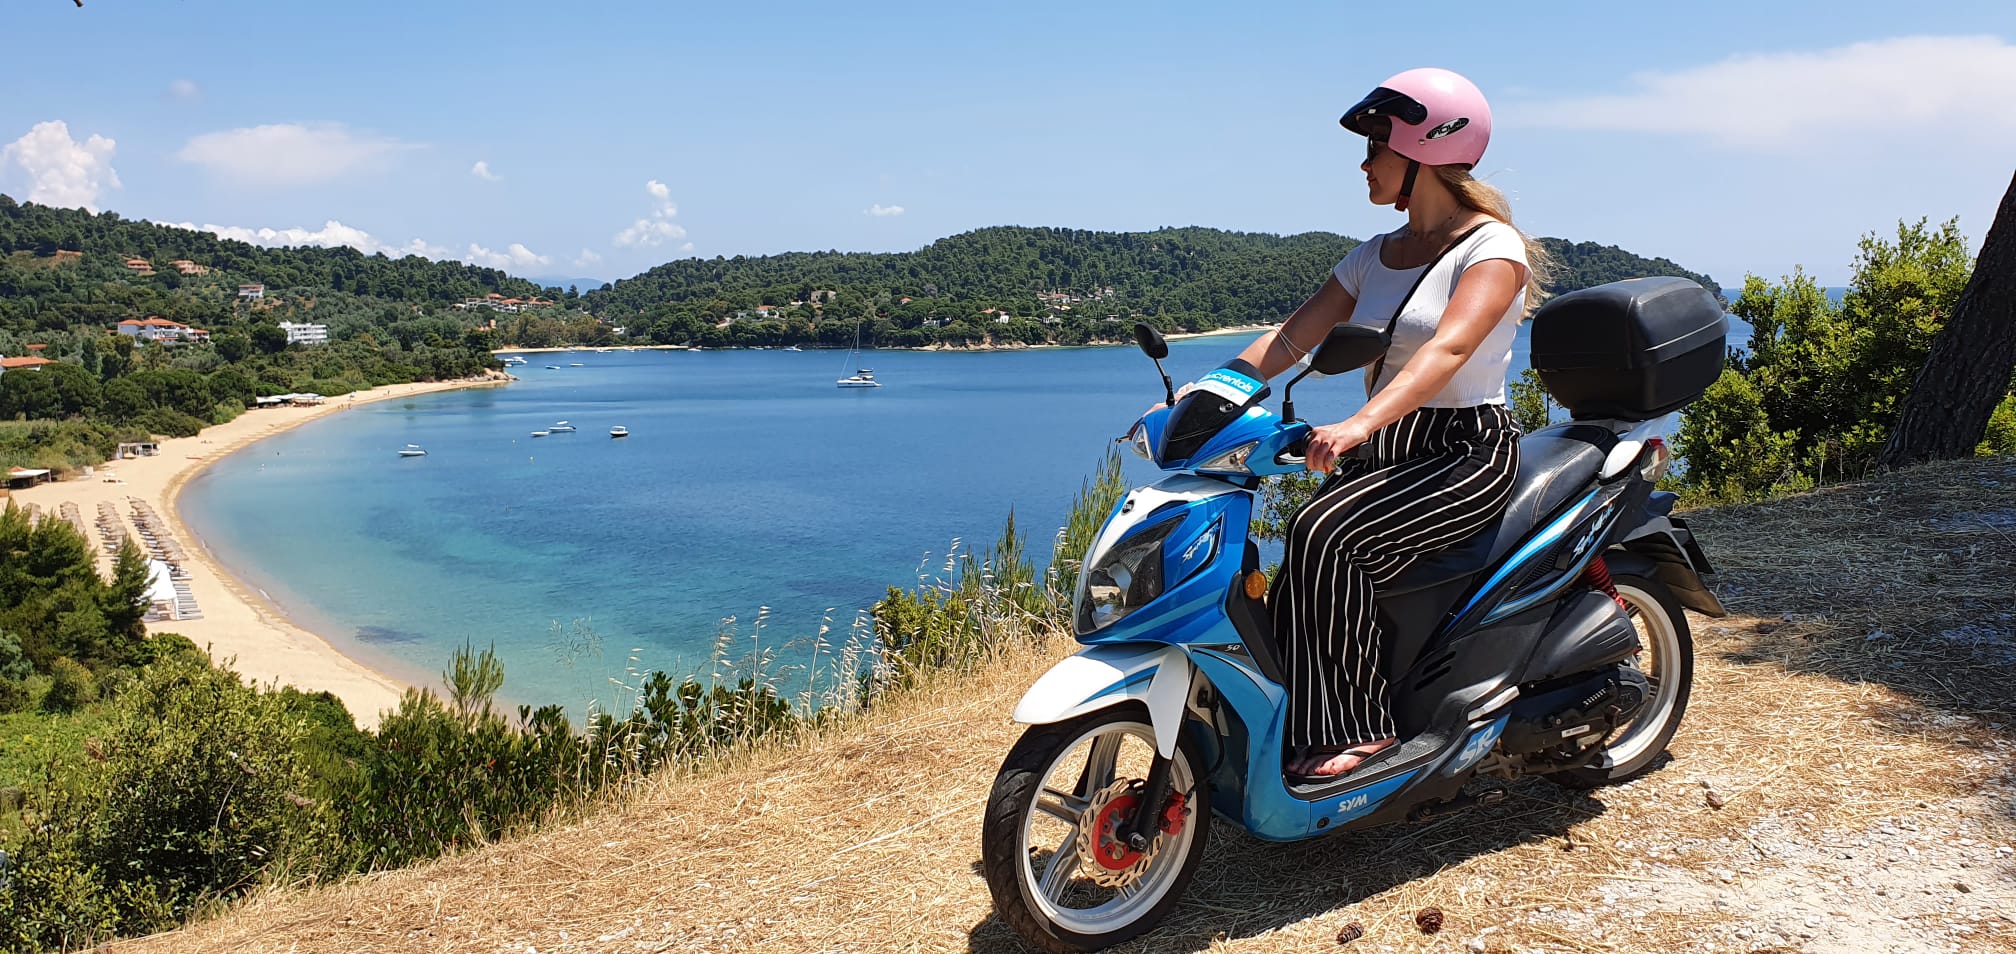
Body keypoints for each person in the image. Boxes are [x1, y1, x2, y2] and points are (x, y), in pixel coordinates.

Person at [1192, 68, 1553, 778]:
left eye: (1376, 146)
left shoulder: (1492, 250)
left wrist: (1358, 422)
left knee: (1323, 533)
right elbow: (1289, 340)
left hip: (1463, 453)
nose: (1363, 163)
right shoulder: (1372, 257)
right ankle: (1290, 722)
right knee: (1293, 573)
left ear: (1425, 149)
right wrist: (1205, 395)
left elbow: (1447, 351)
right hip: (1387, 450)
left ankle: (1361, 733)